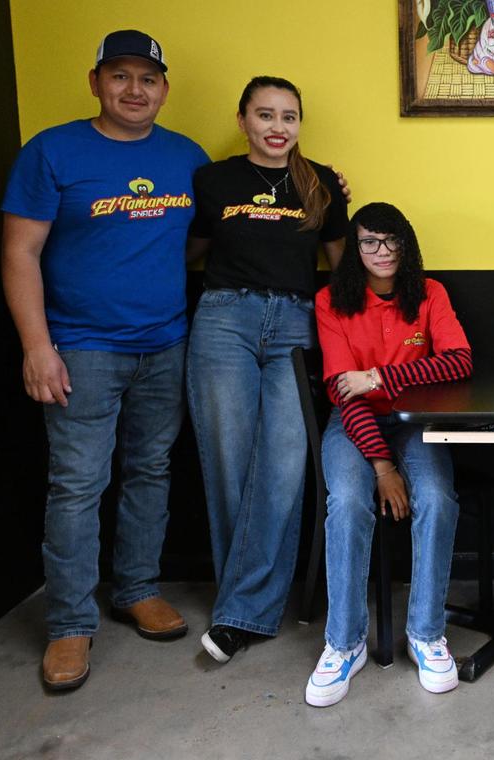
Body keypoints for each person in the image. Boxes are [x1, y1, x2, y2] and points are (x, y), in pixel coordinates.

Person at [1, 30, 209, 691]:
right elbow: (19, 253)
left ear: (164, 89)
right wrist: (38, 346)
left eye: (147, 79)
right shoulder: (52, 151)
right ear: (95, 82)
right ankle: (68, 624)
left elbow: (201, 239)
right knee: (77, 486)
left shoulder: (186, 157)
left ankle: (137, 590)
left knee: (149, 472)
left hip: (167, 342)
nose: (134, 90)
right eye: (119, 76)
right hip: (81, 349)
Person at [186, 76, 348, 664]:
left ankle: (240, 609)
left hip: (297, 325)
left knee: (284, 459)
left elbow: (342, 269)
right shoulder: (213, 179)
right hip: (224, 317)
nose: (278, 128)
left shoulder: (321, 183)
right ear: (243, 119)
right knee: (228, 461)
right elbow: (190, 252)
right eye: (265, 115)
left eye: (289, 117)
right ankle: (248, 609)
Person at [305, 202, 472, 707]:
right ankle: (345, 642)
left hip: (415, 421)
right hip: (352, 423)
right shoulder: (332, 299)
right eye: (369, 242)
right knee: (349, 504)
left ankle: (425, 633)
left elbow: (459, 361)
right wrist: (382, 468)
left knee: (439, 499)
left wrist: (380, 377)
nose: (382, 252)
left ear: (407, 245)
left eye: (392, 241)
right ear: (355, 249)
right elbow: (343, 393)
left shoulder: (429, 294)